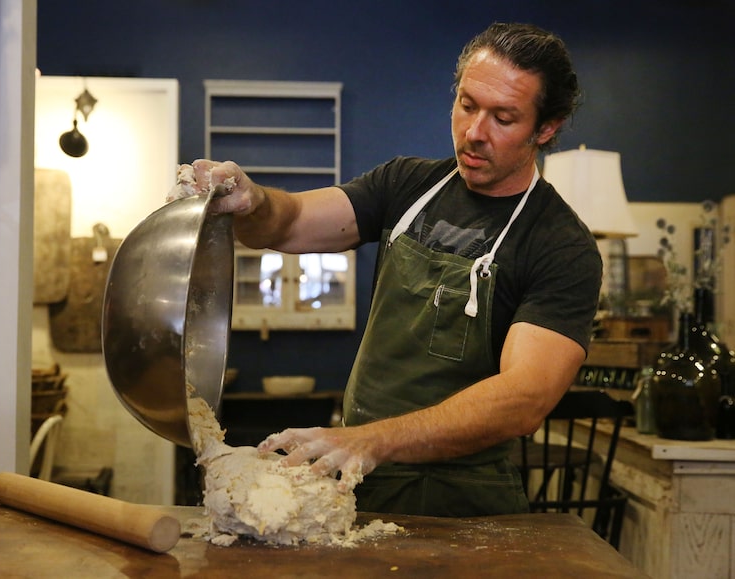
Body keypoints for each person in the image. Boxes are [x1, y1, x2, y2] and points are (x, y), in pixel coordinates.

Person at [169, 22, 602, 518]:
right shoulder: (407, 187)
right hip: (361, 476)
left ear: (546, 129)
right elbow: (287, 224)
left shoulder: (560, 246)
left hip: (463, 498)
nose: (475, 133)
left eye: (504, 118)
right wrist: (252, 200)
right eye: (466, 105)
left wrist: (371, 440)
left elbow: (524, 398)